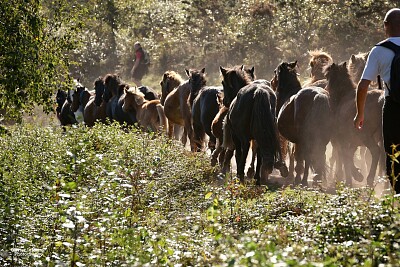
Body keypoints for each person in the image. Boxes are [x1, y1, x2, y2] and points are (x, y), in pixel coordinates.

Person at [354, 8, 400, 195]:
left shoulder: (379, 50)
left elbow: (363, 85)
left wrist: (360, 113)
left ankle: (397, 194)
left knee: (392, 153)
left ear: (386, 26)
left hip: (393, 108)